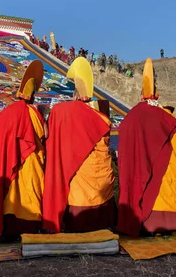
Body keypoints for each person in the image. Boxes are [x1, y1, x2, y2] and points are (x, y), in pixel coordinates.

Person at [42, 57, 116, 233]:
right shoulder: (101, 117)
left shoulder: (62, 112)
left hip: (77, 176)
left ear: (74, 94)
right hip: (98, 175)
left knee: (78, 191)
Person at [118, 58, 176, 237]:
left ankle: (143, 222)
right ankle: (167, 225)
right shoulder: (165, 117)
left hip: (138, 168)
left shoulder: (131, 117)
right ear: (157, 95)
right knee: (164, 183)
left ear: (141, 95)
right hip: (165, 168)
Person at [0, 61, 48, 238]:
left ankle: (9, 228)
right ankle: (31, 226)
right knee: (31, 190)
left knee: (12, 195)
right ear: (33, 96)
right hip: (32, 161)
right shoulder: (35, 113)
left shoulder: (6, 113)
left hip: (10, 161)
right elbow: (45, 134)